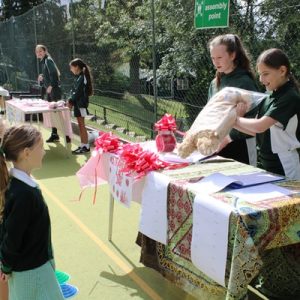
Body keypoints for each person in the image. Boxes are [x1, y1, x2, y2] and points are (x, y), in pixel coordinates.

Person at [0, 124, 64, 300]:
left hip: (33, 267)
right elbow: (11, 236)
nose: (44, 152)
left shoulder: (20, 185)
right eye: (41, 147)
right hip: (32, 272)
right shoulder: (24, 194)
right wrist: (5, 266)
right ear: (26, 153)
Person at [235, 48, 300, 180]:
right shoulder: (269, 96)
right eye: (260, 74)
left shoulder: (290, 97)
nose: (261, 79)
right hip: (267, 162)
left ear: (282, 71)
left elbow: (259, 126)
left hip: (285, 164)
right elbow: (255, 131)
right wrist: (236, 119)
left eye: (265, 74)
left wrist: (233, 119)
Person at [208, 34, 258, 166]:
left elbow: (254, 121)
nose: (215, 62)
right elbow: (209, 115)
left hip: (241, 146)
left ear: (232, 55)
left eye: (219, 57)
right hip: (217, 144)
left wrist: (227, 138)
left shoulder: (245, 82)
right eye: (213, 58)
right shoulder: (214, 83)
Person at [35, 44, 62, 143]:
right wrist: (42, 76)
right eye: (37, 52)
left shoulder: (48, 60)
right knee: (53, 113)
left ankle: (65, 135)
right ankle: (55, 134)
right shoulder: (44, 61)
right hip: (51, 91)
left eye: (40, 51)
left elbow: (55, 74)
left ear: (45, 51)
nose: (38, 53)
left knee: (57, 113)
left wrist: (51, 86)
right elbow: (49, 74)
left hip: (54, 91)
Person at [68, 58, 93, 154]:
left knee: (82, 125)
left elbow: (77, 92)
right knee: (80, 125)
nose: (71, 70)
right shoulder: (79, 77)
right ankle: (83, 145)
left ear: (77, 67)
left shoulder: (82, 77)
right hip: (78, 104)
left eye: (72, 67)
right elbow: (74, 91)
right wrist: (71, 99)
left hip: (81, 105)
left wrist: (71, 101)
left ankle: (85, 146)